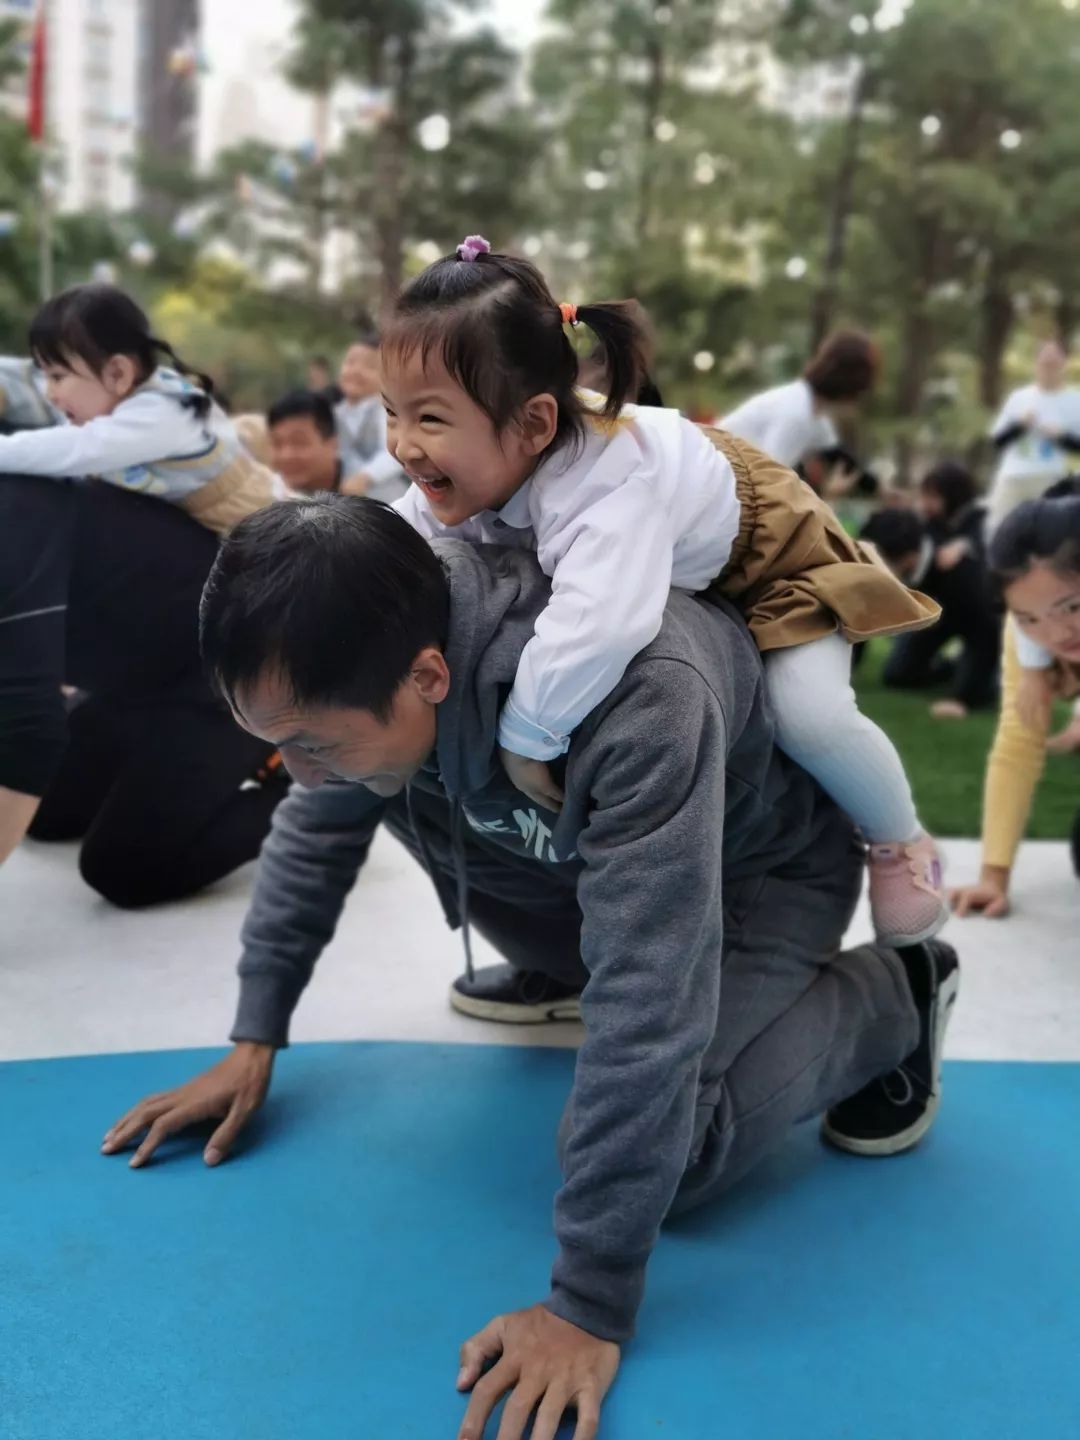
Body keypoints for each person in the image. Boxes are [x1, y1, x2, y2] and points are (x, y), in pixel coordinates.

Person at [102, 497, 959, 1440]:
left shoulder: (637, 692)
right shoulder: (365, 651)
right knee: (369, 786)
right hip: (583, 869)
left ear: (430, 673)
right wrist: (253, 1036)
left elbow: (648, 993)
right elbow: (314, 835)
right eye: (275, 738)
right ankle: (561, 966)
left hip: (751, 876)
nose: (293, 772)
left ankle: (897, 998)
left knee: (682, 1157)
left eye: (314, 741)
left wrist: (588, 1304)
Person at [382, 237, 944, 946]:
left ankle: (902, 842)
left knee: (809, 715)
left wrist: (526, 737)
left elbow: (606, 623)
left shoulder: (607, 481)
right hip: (684, 531)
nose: (403, 443)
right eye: (391, 412)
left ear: (534, 425)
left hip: (773, 556)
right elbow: (399, 540)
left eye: (429, 418)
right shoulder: (482, 457)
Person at [0, 472, 287, 901]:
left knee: (122, 867)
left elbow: (28, 726)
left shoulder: (15, 516)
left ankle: (318, 790)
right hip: (138, 683)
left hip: (240, 678)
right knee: (45, 815)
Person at [0, 284, 276, 535]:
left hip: (270, 536)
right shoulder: (117, 400)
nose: (50, 393)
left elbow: (77, 448)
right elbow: (24, 380)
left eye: (57, 377)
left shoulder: (160, 414)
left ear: (118, 373)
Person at [951, 478, 1080, 918]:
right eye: (1029, 618)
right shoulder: (1027, 638)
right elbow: (1017, 746)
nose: (1056, 633)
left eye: (1073, 607)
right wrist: (993, 876)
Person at [863, 464, 1000, 717]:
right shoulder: (924, 527)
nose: (925, 503)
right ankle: (953, 669)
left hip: (979, 617)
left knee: (982, 682)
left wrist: (964, 699)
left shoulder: (976, 527)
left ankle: (982, 679)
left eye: (932, 497)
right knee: (897, 674)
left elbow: (988, 630)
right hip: (938, 611)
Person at [721, 329, 879, 472]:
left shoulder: (811, 411)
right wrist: (826, 496)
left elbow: (837, 455)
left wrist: (881, 489)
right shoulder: (796, 415)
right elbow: (767, 481)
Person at [986, 342, 1080, 533]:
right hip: (1013, 476)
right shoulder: (1019, 397)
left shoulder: (1074, 401)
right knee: (997, 531)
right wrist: (1019, 426)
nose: (1049, 368)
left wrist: (1061, 436)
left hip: (1050, 478)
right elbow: (998, 441)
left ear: (1063, 365)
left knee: (1048, 537)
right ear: (1036, 364)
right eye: (1045, 363)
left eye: (1054, 363)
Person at [335, 334, 408, 503]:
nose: (356, 371)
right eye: (350, 362)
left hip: (385, 499)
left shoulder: (384, 410)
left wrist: (365, 476)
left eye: (370, 366)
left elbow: (393, 453)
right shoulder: (338, 413)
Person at [267, 390, 344, 495]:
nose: (286, 456)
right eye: (277, 444)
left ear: (332, 445)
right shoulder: (269, 495)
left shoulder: (366, 494)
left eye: (299, 442)